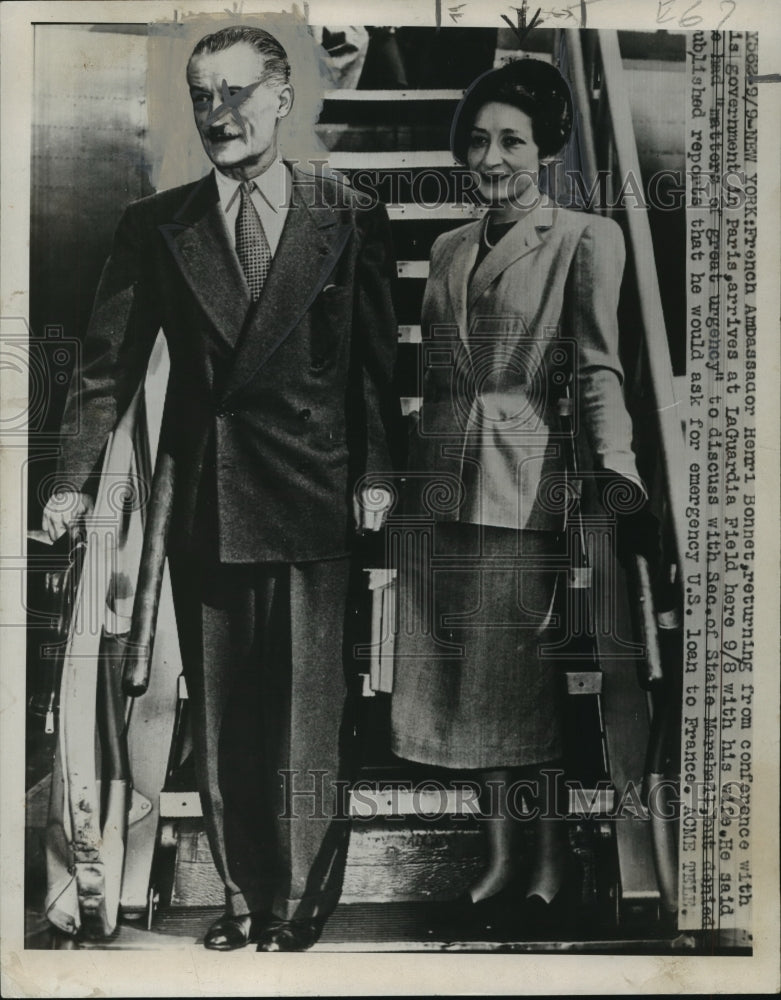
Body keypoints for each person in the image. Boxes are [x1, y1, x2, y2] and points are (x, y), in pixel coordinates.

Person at [42, 24, 399, 952]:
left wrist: (378, 475)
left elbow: (370, 367)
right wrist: (71, 483)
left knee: (308, 720)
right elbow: (103, 371)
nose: (218, 115)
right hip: (208, 500)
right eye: (203, 96)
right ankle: (244, 901)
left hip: (313, 493)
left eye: (237, 93)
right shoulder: (157, 226)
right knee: (229, 711)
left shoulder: (348, 213)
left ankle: (298, 901)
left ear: (284, 99)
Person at [390, 58, 653, 925]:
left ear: (545, 151)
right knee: (464, 692)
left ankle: (547, 862)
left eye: (510, 140)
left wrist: (613, 474)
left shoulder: (585, 236)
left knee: (515, 689)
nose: (490, 156)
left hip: (523, 488)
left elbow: (595, 368)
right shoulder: (447, 247)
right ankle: (500, 858)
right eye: (477, 140)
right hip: (439, 492)